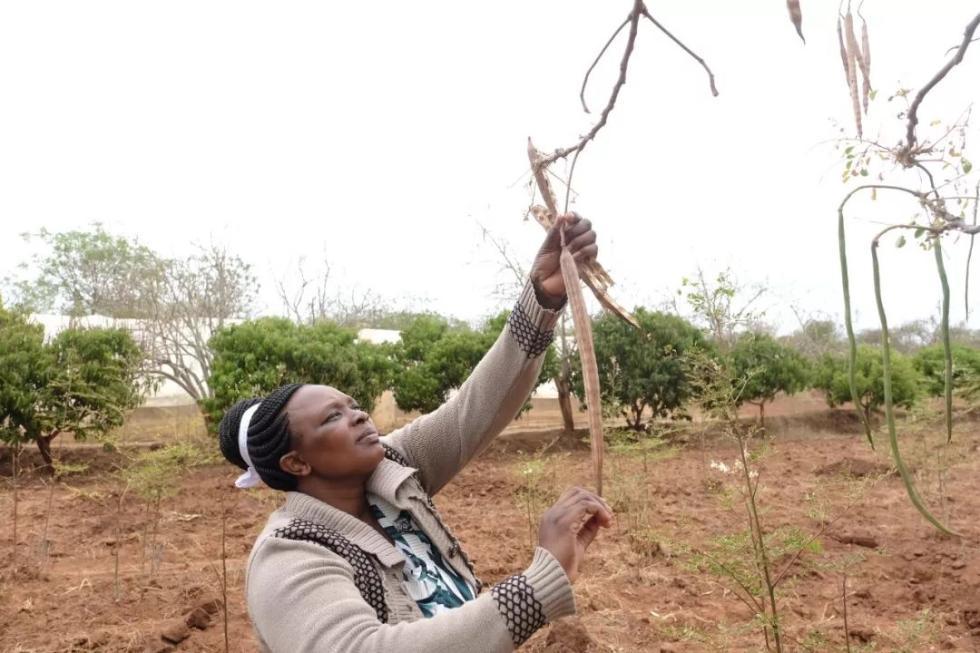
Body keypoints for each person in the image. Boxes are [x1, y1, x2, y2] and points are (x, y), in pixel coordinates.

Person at [218, 214, 613, 652]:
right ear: (296, 462)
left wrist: (543, 295)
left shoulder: (392, 469)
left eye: (353, 405)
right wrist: (534, 589)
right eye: (332, 418)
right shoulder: (289, 556)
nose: (359, 415)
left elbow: (474, 410)